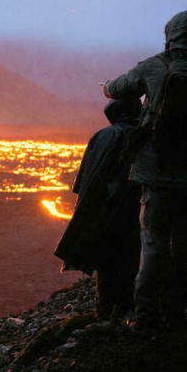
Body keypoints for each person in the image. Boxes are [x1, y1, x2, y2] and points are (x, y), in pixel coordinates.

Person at [103, 10, 187, 327]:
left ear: (169, 34)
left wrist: (106, 87)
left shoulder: (155, 66)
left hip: (156, 172)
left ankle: (145, 314)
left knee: (154, 244)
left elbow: (119, 88)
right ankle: (177, 309)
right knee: (184, 244)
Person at [54, 97, 144, 319]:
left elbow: (82, 182)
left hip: (100, 210)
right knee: (131, 257)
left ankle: (106, 310)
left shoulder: (100, 136)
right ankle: (127, 309)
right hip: (130, 208)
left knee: (108, 261)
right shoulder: (140, 137)